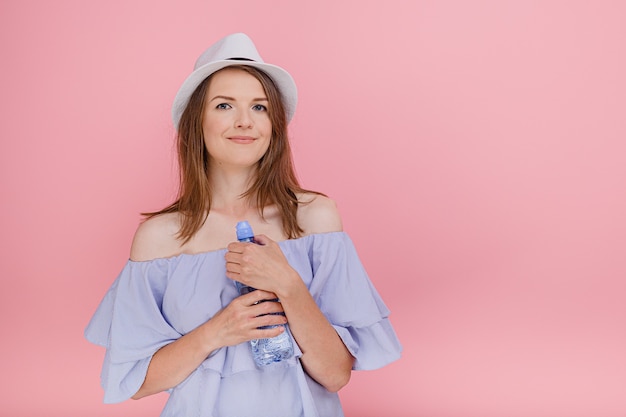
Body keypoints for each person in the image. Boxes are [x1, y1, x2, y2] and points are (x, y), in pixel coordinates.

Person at [85, 32, 402, 417]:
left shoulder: (314, 218)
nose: (244, 122)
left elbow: (336, 375)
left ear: (274, 123)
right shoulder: (160, 238)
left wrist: (288, 285)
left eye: (259, 107)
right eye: (223, 105)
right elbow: (136, 382)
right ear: (195, 123)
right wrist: (220, 330)